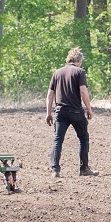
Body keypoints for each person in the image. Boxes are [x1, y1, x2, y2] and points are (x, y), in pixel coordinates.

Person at [46, 47, 95, 178]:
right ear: (78, 61)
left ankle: (55, 169)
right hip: (76, 111)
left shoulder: (57, 72)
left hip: (60, 111)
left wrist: (48, 113)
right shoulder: (79, 72)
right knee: (83, 138)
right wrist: (89, 109)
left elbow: (50, 94)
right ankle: (84, 168)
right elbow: (83, 92)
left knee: (58, 140)